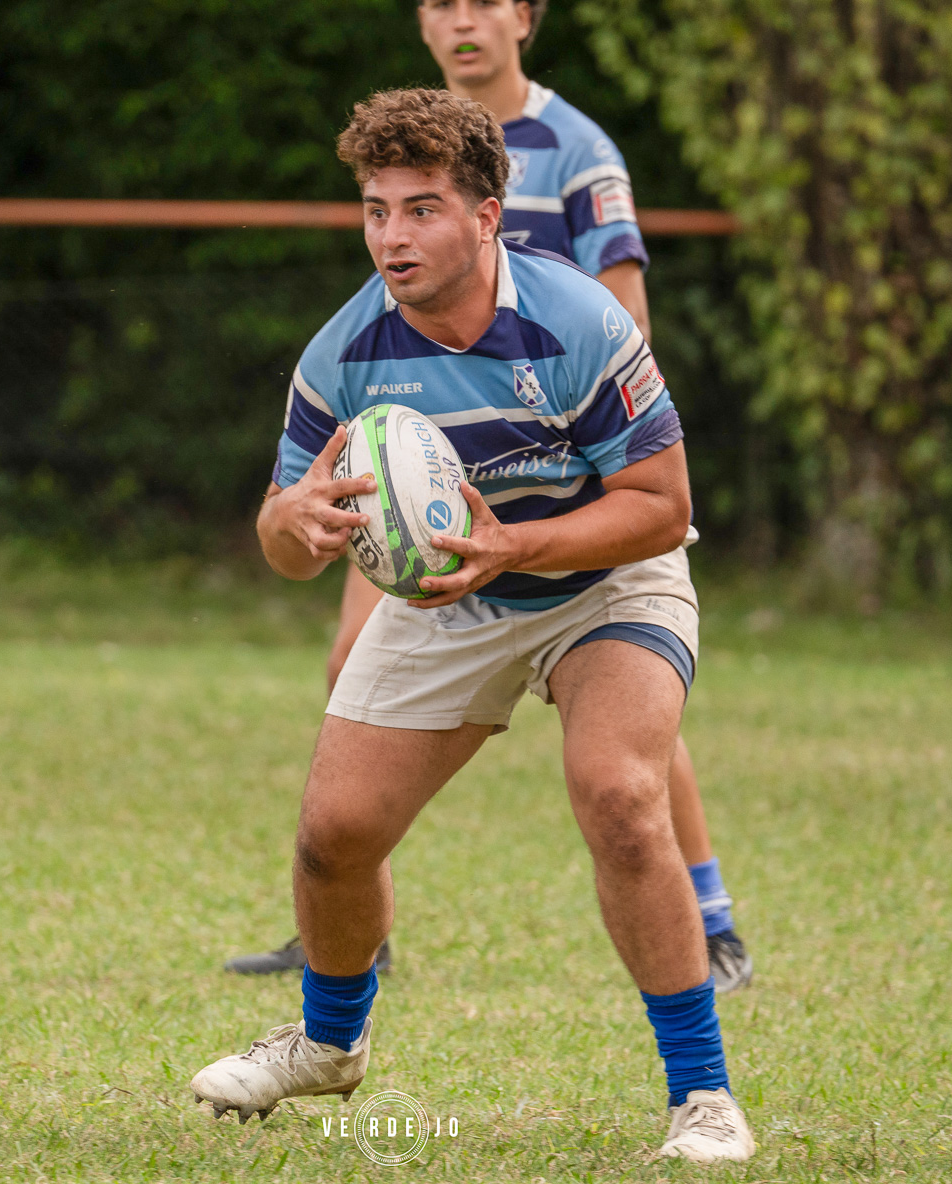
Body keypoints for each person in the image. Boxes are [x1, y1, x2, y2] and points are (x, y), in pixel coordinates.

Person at [189, 88, 755, 1163]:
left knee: (621, 795)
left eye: (422, 209)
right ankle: (328, 1044)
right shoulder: (344, 354)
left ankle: (703, 1096)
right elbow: (283, 542)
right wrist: (289, 523)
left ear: (488, 215)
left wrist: (515, 546)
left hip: (606, 583)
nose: (391, 238)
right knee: (334, 833)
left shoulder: (578, 322)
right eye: (375, 210)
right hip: (455, 597)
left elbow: (662, 507)